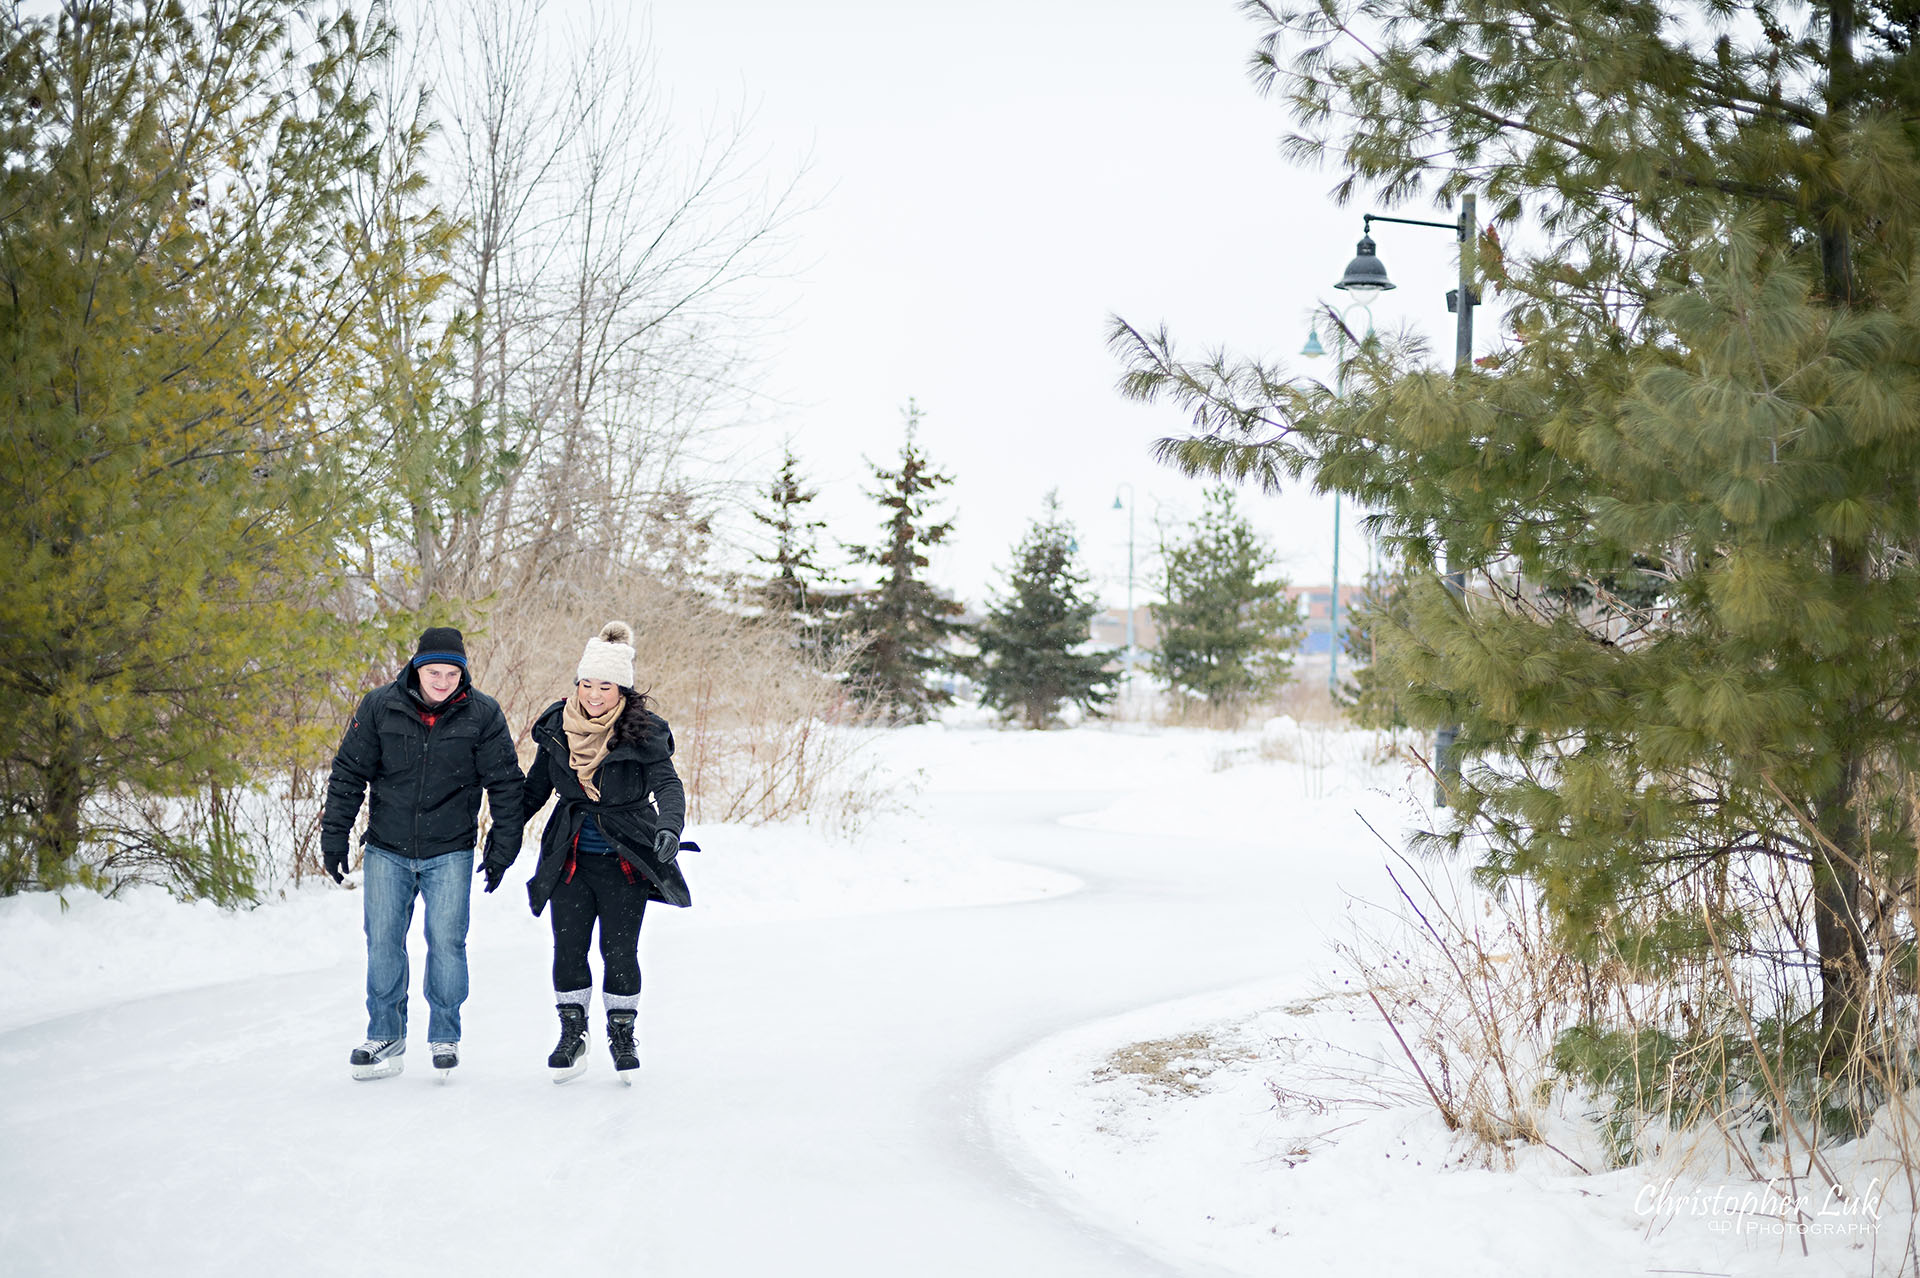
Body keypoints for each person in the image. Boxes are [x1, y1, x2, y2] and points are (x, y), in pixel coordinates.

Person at [319, 626, 525, 1081]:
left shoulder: (483, 714)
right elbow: (349, 773)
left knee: (447, 944)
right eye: (434, 671)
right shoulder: (379, 706)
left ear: (463, 674)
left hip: (449, 849)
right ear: (417, 667)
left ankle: (445, 1035)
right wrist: (335, 835)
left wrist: (503, 846)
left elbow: (506, 784)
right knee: (383, 942)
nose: (442, 681)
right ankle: (385, 1033)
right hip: (387, 848)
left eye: (452, 673)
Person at [513, 620, 689, 1083]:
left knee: (619, 951)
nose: (593, 694)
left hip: (623, 858)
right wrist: (502, 839)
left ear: (622, 690)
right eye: (586, 683)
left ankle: (621, 1032)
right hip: (569, 859)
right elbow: (534, 791)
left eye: (604, 686)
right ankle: (573, 1036)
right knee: (568, 949)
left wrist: (669, 826)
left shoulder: (643, 731)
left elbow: (668, 786)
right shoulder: (557, 725)